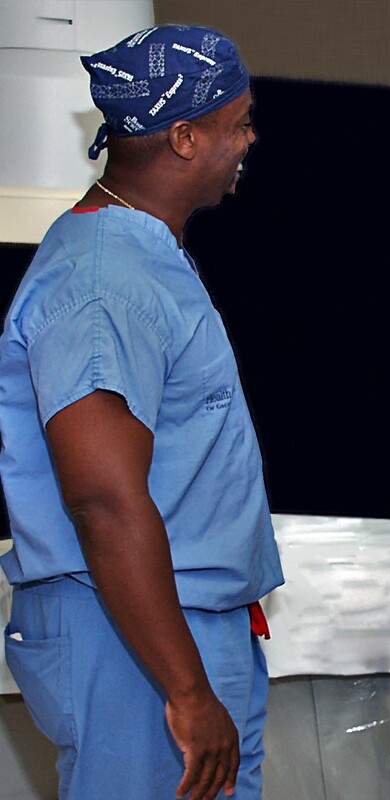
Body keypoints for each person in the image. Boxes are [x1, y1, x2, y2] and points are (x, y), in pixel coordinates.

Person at [0, 26, 283, 800]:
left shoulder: (143, 255)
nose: (248, 141)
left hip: (179, 627)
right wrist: (188, 691)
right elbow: (101, 499)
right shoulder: (101, 283)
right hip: (132, 641)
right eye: (239, 123)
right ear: (186, 137)